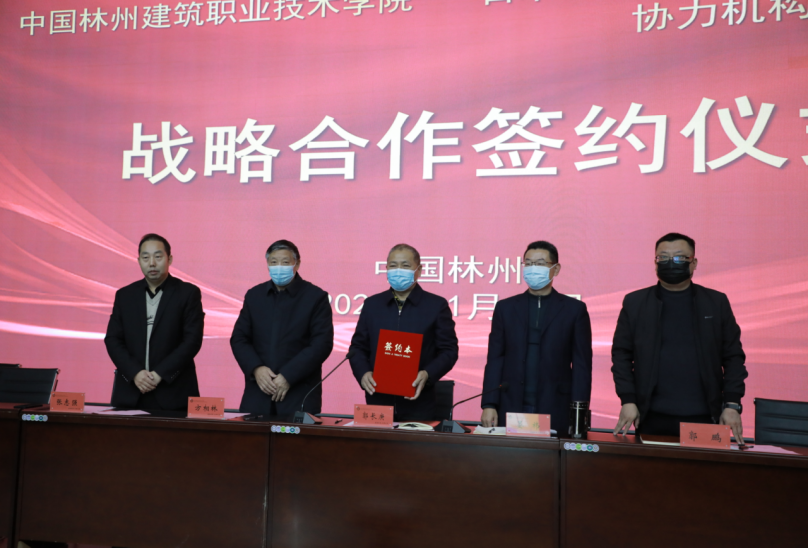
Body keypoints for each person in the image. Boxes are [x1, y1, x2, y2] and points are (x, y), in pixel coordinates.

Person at [612, 233, 747, 441]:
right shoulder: (635, 303)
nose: (670, 263)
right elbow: (621, 355)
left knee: (704, 464)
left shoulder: (716, 302)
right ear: (655, 263)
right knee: (649, 463)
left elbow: (733, 357)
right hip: (650, 416)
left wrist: (732, 404)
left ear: (694, 263)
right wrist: (628, 400)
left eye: (679, 258)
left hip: (705, 416)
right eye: (663, 258)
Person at [480, 241, 592, 435]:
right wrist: (489, 404)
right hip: (512, 403)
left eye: (540, 263)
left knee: (549, 454)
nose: (533, 268)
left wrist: (578, 412)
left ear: (556, 269)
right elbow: (495, 358)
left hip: (555, 404)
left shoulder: (574, 310)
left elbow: (582, 364)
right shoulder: (506, 308)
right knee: (513, 453)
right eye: (528, 263)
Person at [349, 244, 458, 421]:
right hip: (378, 400)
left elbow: (449, 351)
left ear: (419, 270)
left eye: (405, 265)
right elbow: (357, 347)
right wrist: (363, 373)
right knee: (376, 441)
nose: (398, 270)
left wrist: (427, 374)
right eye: (393, 266)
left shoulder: (436, 306)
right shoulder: (372, 305)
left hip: (419, 402)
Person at [231, 240, 333, 416]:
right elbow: (239, 339)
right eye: (273, 262)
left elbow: (321, 344)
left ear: (297, 264)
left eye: (285, 262)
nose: (279, 267)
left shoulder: (315, 297)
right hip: (258, 393)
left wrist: (288, 375)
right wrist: (256, 369)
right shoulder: (254, 296)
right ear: (267, 264)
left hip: (299, 395)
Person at [105, 234, 204, 410]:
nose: (152, 263)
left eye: (158, 257)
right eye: (145, 257)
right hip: (131, 392)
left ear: (169, 259)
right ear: (139, 261)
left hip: (174, 393)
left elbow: (192, 341)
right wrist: (135, 373)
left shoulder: (188, 293)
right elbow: (113, 339)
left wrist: (160, 374)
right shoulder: (125, 295)